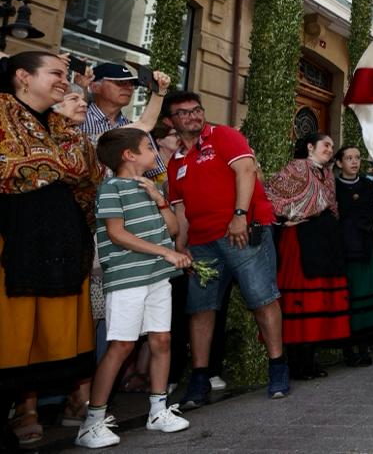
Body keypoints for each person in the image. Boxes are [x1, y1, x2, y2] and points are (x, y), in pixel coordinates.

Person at [0, 52, 103, 448]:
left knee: (51, 342)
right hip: (12, 241)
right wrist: (56, 171)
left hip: (61, 245)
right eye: (56, 73)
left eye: (66, 74)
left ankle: (40, 406)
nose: (65, 80)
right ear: (23, 76)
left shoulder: (68, 129)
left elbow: (89, 175)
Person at [162, 91, 289, 406]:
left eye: (197, 110)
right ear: (169, 121)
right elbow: (180, 210)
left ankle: (278, 367)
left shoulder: (223, 135)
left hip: (242, 232)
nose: (193, 116)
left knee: (262, 299)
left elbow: (246, 171)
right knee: (200, 308)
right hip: (202, 243)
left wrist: (239, 216)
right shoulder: (176, 161)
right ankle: (200, 378)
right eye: (184, 112)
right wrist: (182, 247)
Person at [75, 128, 191, 448]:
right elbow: (116, 234)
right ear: (129, 155)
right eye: (148, 148)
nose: (154, 153)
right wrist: (166, 252)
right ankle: (92, 423)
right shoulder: (112, 188)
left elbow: (172, 228)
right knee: (122, 346)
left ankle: (158, 411)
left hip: (157, 277)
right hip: (128, 279)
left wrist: (161, 201)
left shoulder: (149, 186)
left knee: (162, 340)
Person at [264, 133, 350, 379]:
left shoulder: (328, 174)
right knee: (300, 297)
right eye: (326, 145)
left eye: (332, 146)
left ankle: (310, 359)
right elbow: (270, 194)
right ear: (310, 146)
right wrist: (289, 216)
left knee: (320, 296)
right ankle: (297, 362)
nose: (330, 149)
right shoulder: (297, 167)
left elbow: (332, 206)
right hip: (301, 238)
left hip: (324, 238)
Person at [334, 145, 373, 366]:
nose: (354, 162)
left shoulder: (368, 186)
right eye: (348, 158)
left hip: (365, 247)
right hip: (343, 250)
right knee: (348, 296)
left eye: (356, 158)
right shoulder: (333, 187)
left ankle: (364, 347)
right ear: (339, 163)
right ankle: (348, 348)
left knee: (366, 292)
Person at [82, 63, 170, 176]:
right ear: (95, 87)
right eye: (120, 83)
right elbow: (145, 123)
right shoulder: (77, 119)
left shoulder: (135, 129)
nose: (129, 87)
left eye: (132, 84)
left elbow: (157, 175)